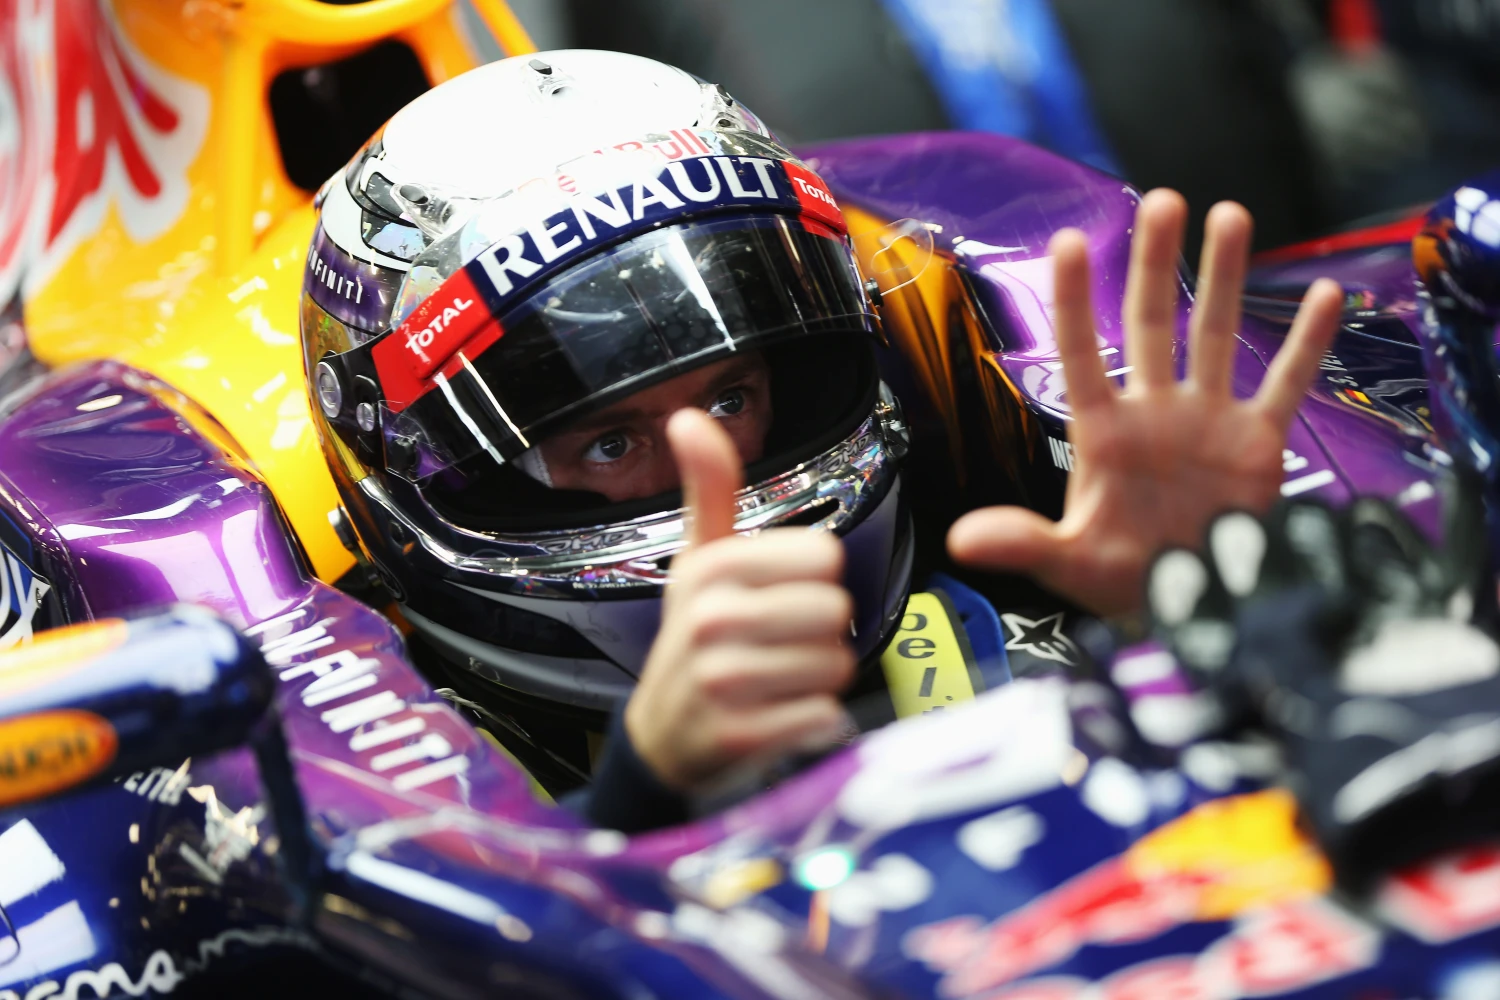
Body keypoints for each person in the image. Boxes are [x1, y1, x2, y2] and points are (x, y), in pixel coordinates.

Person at [297, 49, 1342, 829]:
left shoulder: (1024, 644)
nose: (715, 474)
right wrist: (643, 796)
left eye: (730, 398)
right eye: (609, 443)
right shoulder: (389, 779)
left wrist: (1213, 616)